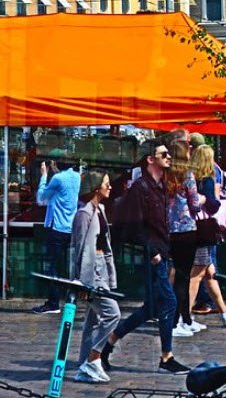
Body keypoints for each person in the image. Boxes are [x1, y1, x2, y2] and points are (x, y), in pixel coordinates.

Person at [102, 140, 191, 375]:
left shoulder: (160, 185)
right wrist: (152, 252)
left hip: (162, 250)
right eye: (163, 154)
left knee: (151, 309)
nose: (168, 157)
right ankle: (166, 358)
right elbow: (135, 224)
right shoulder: (141, 187)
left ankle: (108, 343)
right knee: (170, 302)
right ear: (151, 159)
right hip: (154, 254)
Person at [71, 170, 121, 383]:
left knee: (92, 321)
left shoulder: (99, 209)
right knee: (112, 314)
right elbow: (79, 248)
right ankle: (93, 358)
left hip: (101, 268)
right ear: (95, 187)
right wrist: (80, 281)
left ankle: (85, 365)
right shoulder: (84, 214)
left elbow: (104, 245)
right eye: (106, 184)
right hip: (91, 272)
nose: (109, 187)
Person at [187, 145, 226, 326]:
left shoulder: (192, 178)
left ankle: (225, 312)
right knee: (196, 276)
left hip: (195, 228)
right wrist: (215, 197)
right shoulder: (207, 180)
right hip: (203, 230)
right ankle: (183, 319)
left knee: (210, 273)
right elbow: (212, 206)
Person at [32, 158, 82, 314]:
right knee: (67, 267)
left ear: (55, 165)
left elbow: (41, 198)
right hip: (71, 228)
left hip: (57, 229)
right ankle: (69, 299)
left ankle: (53, 303)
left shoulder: (57, 178)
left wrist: (43, 176)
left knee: (51, 266)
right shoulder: (76, 177)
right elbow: (56, 197)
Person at [166, 140, 205, 336]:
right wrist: (204, 199)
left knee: (179, 275)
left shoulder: (165, 175)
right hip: (187, 228)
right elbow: (195, 204)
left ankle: (186, 319)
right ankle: (175, 322)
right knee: (183, 277)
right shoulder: (187, 175)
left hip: (169, 229)